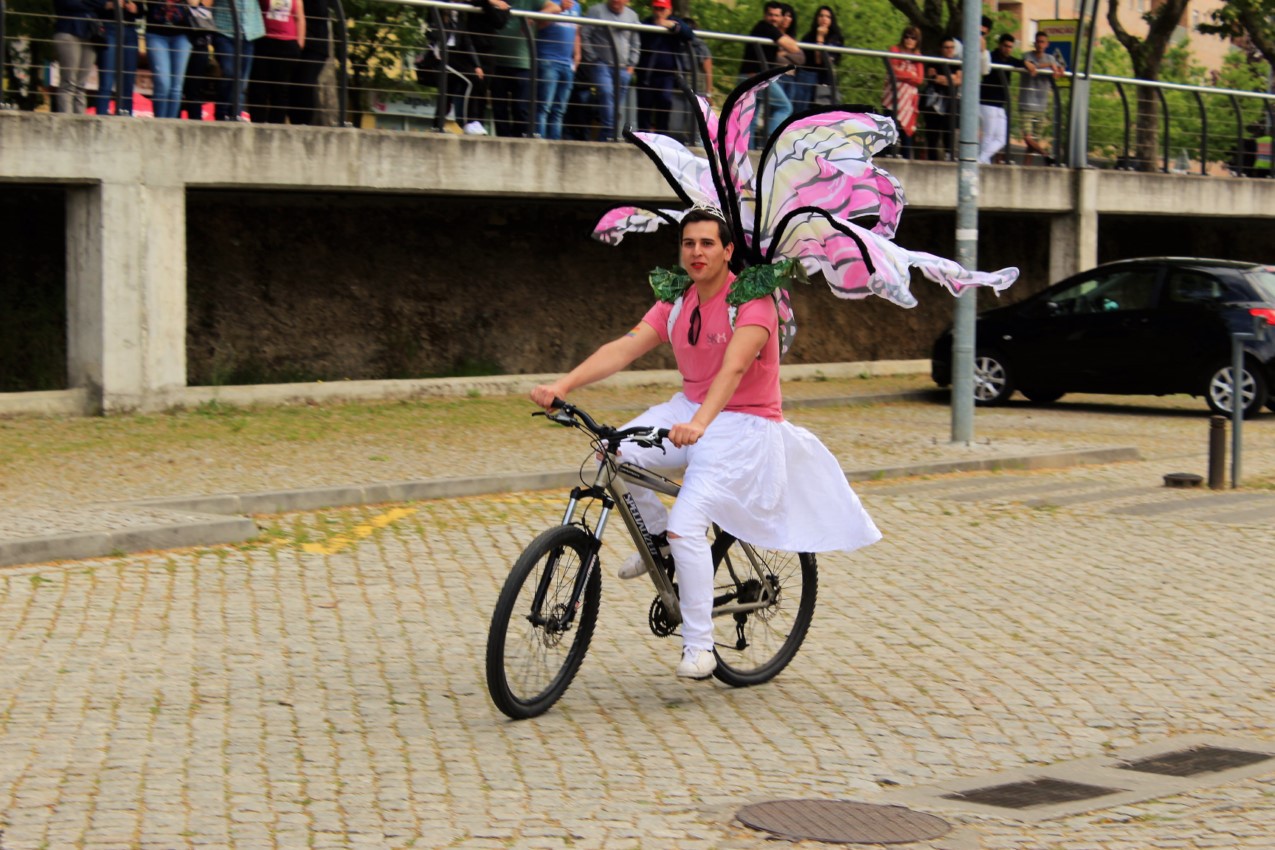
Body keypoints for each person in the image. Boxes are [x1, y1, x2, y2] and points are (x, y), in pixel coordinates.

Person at [530, 207, 881, 679]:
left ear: (728, 250)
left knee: (688, 522)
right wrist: (564, 385)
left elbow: (734, 369)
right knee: (612, 452)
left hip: (746, 423)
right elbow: (624, 347)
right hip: (690, 408)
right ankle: (658, 541)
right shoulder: (678, 301)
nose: (697, 252)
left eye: (707, 243)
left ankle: (698, 645)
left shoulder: (754, 301)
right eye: (689, 243)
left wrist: (699, 423)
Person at [737, 1, 803, 141]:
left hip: (750, 77)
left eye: (777, 16)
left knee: (752, 117)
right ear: (765, 15)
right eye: (770, 15)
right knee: (785, 107)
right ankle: (771, 144)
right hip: (756, 78)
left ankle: (749, 151)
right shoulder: (765, 27)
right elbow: (793, 48)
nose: (773, 18)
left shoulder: (768, 30)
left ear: (781, 17)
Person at [488, 0, 556, 137]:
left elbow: (554, 7)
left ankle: (520, 140)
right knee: (499, 107)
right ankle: (503, 140)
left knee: (521, 108)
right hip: (496, 61)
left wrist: (533, 17)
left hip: (523, 64)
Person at [582, 0, 641, 141]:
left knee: (612, 105)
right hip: (601, 65)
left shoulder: (632, 16)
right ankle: (611, 134)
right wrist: (593, 58)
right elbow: (584, 35)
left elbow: (635, 42)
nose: (617, 1)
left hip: (623, 68)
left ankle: (605, 138)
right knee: (606, 93)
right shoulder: (596, 11)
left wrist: (631, 65)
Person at [635, 0, 692, 134]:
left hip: (667, 75)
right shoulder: (646, 23)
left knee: (665, 103)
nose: (659, 12)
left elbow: (689, 34)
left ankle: (662, 138)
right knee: (644, 106)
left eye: (662, 9)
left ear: (669, 10)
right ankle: (643, 137)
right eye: (656, 8)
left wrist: (670, 26)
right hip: (646, 75)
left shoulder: (675, 22)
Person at [247, 0, 305, 123]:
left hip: (287, 45)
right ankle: (257, 124)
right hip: (264, 40)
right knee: (259, 89)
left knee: (280, 90)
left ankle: (277, 126)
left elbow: (300, 18)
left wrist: (299, 45)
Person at [210, 0, 266, 120]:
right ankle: (222, 112)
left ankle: (235, 114)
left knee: (242, 80)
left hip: (249, 32)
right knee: (230, 72)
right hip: (224, 30)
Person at [144, 0, 201, 119]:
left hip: (182, 34)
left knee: (176, 87)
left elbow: (194, 3)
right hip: (156, 33)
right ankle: (159, 125)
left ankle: (171, 123)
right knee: (162, 82)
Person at [535, 0, 581, 139]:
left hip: (568, 64)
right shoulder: (548, 2)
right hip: (549, 60)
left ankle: (555, 143)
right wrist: (559, 9)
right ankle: (540, 141)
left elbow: (576, 32)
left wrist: (578, 55)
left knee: (559, 110)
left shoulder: (577, 6)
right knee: (544, 107)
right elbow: (539, 23)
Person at [52, 0, 103, 114]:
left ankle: (80, 121)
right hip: (68, 31)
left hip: (90, 34)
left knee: (81, 85)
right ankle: (66, 121)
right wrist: (97, 5)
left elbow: (103, 5)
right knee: (69, 82)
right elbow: (69, 3)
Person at [1019, 31, 1063, 165]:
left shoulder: (1050, 58)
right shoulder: (1028, 55)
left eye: (1043, 42)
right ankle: (1046, 154)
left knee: (1033, 142)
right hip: (1027, 103)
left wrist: (1058, 68)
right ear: (1035, 43)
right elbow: (1031, 65)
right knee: (1028, 138)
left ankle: (1027, 167)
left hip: (1042, 104)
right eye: (1038, 41)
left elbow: (1060, 70)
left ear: (1047, 44)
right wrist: (1050, 66)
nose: (1040, 44)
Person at [979, 32, 1021, 164]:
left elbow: (1021, 62)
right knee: (988, 136)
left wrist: (1030, 64)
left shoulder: (1009, 60)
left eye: (1010, 47)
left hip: (1000, 104)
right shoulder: (991, 56)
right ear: (999, 45)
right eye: (1005, 46)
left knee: (1001, 138)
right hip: (987, 102)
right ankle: (981, 162)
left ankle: (980, 160)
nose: (1008, 49)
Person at [881, 25, 923, 159]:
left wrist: (902, 73)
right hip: (892, 96)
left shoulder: (918, 56)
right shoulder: (895, 50)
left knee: (906, 131)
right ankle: (888, 153)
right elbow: (892, 71)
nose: (909, 40)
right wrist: (910, 74)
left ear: (917, 40)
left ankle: (905, 157)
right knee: (889, 127)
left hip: (908, 102)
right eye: (907, 36)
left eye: (913, 38)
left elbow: (920, 79)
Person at [791, 5, 841, 115]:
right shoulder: (808, 36)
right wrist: (818, 36)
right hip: (806, 77)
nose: (824, 19)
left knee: (821, 113)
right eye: (821, 16)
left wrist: (820, 38)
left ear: (831, 20)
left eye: (828, 16)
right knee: (800, 112)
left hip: (824, 80)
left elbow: (822, 61)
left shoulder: (836, 38)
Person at [94, 0, 140, 116]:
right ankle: (101, 116)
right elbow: (92, 5)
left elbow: (142, 9)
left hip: (130, 29)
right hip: (109, 27)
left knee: (128, 79)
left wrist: (136, 8)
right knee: (107, 79)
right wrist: (109, 5)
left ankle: (126, 116)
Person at [288, 0, 329, 125]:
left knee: (304, 83)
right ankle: (296, 124)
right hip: (291, 41)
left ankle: (304, 125)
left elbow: (321, 13)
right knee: (290, 87)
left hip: (314, 45)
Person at [921, 36, 960, 160]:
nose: (949, 50)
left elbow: (959, 80)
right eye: (946, 47)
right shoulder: (934, 61)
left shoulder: (957, 63)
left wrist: (945, 79)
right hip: (934, 103)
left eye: (951, 47)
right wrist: (951, 79)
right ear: (941, 48)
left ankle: (949, 157)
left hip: (950, 103)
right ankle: (932, 160)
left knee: (949, 132)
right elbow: (933, 77)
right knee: (932, 134)